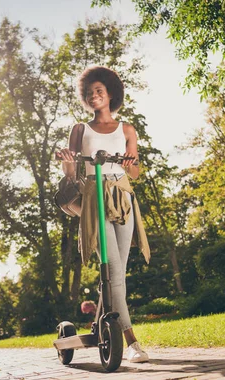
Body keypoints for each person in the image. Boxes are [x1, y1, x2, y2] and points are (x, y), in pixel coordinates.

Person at [56, 66, 151, 363]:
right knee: (111, 271)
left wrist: (131, 160)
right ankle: (132, 342)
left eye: (99, 91)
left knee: (117, 273)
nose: (94, 95)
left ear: (110, 94)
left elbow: (134, 172)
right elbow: (71, 174)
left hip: (122, 197)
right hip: (94, 198)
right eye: (89, 93)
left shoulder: (127, 130)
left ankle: (103, 325)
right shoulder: (80, 129)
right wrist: (68, 162)